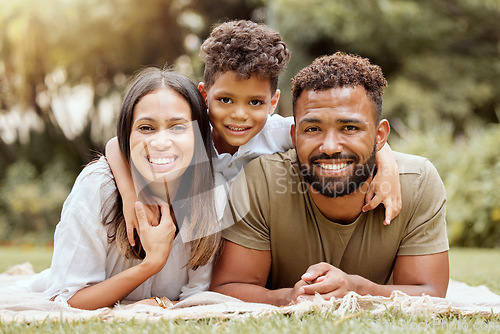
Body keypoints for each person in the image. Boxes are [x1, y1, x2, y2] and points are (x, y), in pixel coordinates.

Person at [106, 20, 402, 245]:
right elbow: (115, 146)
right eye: (225, 100)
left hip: (251, 246)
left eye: (255, 102)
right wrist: (132, 196)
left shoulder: (280, 132)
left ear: (273, 102)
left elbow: (351, 138)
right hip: (196, 250)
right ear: (204, 94)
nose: (239, 114)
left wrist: (386, 170)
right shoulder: (190, 135)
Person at [210, 52, 450, 306]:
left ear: (380, 136)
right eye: (313, 129)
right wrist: (290, 296)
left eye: (350, 128)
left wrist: (356, 288)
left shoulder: (418, 181)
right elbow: (228, 288)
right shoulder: (262, 180)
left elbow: (430, 293)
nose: (331, 146)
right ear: (294, 136)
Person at [28, 68, 220, 310]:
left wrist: (157, 303)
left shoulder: (210, 191)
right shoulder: (99, 187)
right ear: (126, 135)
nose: (160, 143)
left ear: (199, 137)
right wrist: (152, 263)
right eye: (146, 128)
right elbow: (66, 301)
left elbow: (197, 298)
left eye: (178, 127)